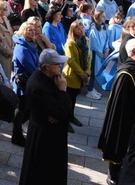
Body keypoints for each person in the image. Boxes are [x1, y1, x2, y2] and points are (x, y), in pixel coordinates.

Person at [98, 38, 135, 185]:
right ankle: (113, 177)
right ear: (134, 52)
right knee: (120, 148)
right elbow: (120, 106)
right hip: (126, 120)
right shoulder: (126, 74)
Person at [18, 49, 72, 185]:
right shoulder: (38, 87)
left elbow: (60, 112)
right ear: (47, 67)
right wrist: (63, 92)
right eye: (57, 64)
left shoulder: (47, 77)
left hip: (47, 132)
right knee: (42, 173)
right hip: (45, 137)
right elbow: (62, 111)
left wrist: (59, 113)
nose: (60, 67)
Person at [11, 21, 40, 146]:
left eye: (33, 30)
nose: (32, 32)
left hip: (30, 81)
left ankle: (19, 129)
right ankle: (16, 136)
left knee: (26, 109)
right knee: (21, 110)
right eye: (29, 30)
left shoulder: (31, 44)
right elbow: (29, 66)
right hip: (23, 83)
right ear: (23, 31)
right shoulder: (21, 47)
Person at [62, 20, 91, 131]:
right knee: (68, 99)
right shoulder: (70, 43)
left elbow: (88, 57)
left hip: (82, 76)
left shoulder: (86, 40)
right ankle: (65, 119)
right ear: (73, 31)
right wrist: (82, 73)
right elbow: (71, 61)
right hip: (72, 76)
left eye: (82, 28)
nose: (81, 30)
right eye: (78, 29)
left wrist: (88, 72)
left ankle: (71, 116)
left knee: (74, 99)